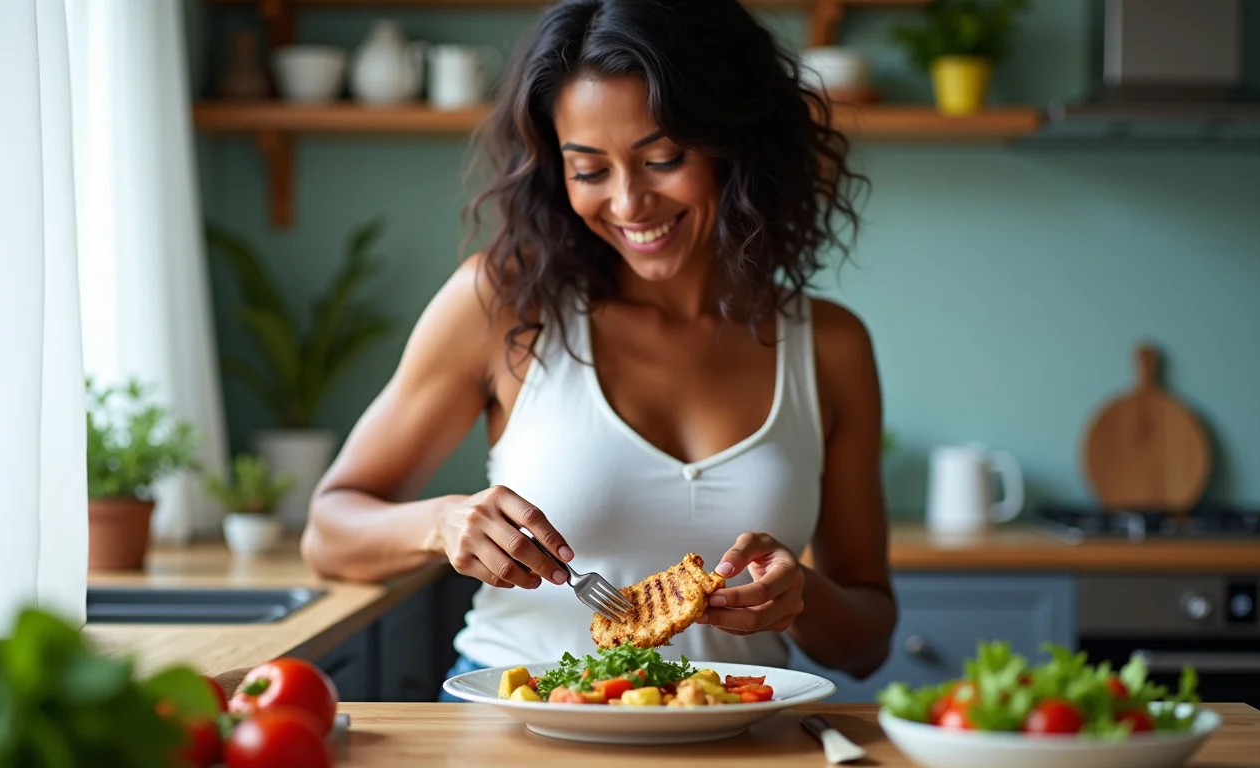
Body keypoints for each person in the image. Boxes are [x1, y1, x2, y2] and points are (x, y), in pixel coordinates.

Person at [300, 0, 898, 699]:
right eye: (589, 170)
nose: (629, 202)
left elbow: (867, 641)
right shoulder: (501, 305)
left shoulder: (829, 345)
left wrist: (804, 598)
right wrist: (443, 522)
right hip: (517, 729)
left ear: (739, 141)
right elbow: (328, 530)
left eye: (663, 159)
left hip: (730, 733)